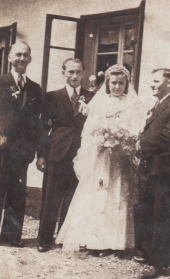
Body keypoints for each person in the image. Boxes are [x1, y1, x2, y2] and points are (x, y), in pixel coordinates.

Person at [55, 64, 144, 256]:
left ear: (127, 84)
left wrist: (121, 139)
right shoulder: (100, 102)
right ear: (108, 83)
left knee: (117, 194)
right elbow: (89, 129)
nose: (117, 87)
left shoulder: (133, 104)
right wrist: (100, 140)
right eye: (113, 83)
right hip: (101, 155)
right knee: (98, 194)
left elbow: (136, 128)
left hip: (120, 157)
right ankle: (96, 241)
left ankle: (116, 242)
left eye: (121, 83)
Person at [134, 68, 170, 278]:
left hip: (165, 170)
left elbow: (169, 136)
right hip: (149, 168)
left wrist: (138, 143)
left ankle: (158, 265)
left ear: (169, 83)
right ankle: (149, 256)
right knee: (148, 212)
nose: (151, 85)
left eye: (156, 81)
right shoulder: (155, 106)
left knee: (162, 216)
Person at [36, 58, 93, 252]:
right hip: (57, 153)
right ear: (64, 73)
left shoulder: (92, 97)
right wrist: (41, 156)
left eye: (78, 72)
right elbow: (43, 128)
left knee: (73, 198)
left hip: (81, 156)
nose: (74, 76)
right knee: (51, 198)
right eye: (70, 72)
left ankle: (64, 238)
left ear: (83, 73)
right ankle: (43, 240)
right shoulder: (53, 97)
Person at [0, 42, 42, 247]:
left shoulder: (34, 88)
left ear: (30, 59)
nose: (22, 59)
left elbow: (36, 122)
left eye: (26, 55)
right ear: (9, 58)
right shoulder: (0, 82)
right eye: (18, 55)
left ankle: (11, 236)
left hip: (21, 151)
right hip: (0, 149)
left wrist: (31, 149)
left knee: (17, 194)